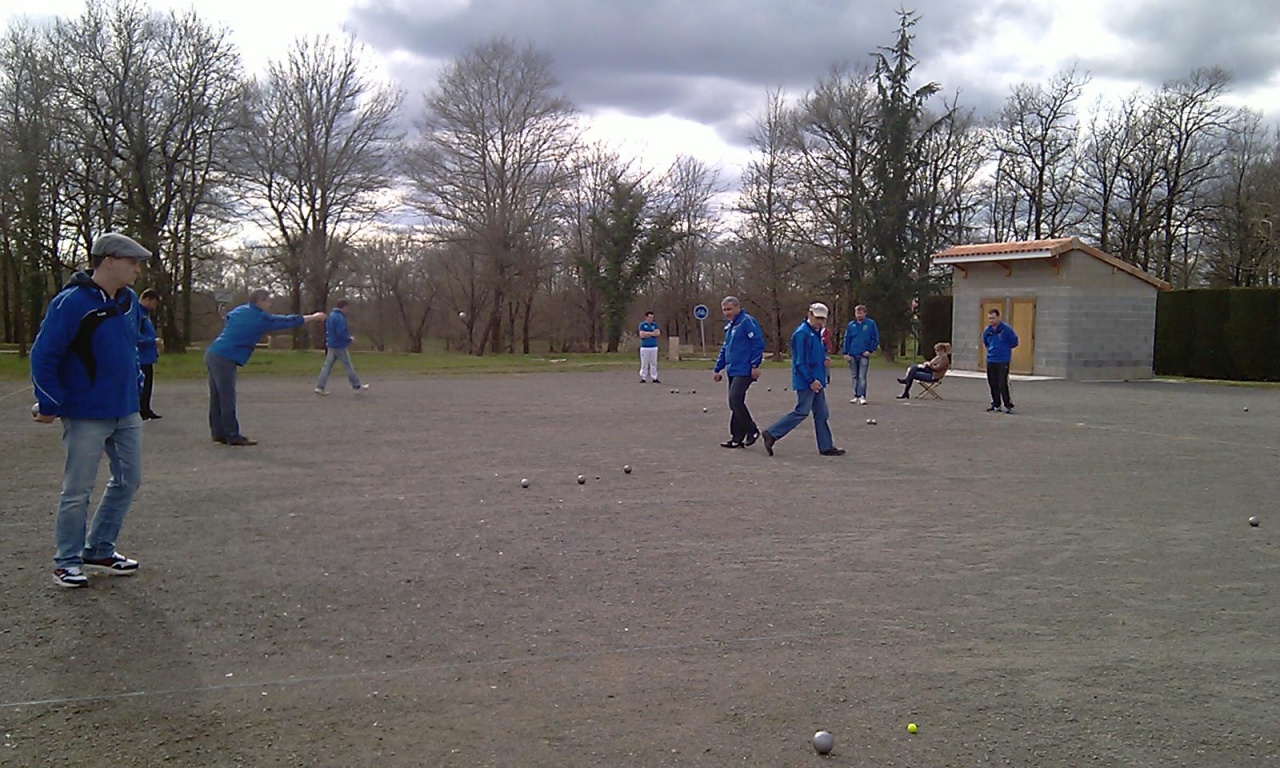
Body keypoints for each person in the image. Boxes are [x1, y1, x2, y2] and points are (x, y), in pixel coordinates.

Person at [30, 233, 151, 588]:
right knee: (77, 490)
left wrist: (137, 381)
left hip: (126, 410)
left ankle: (98, 548)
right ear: (109, 261)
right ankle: (66, 561)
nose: (138, 270)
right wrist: (50, 401)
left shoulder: (128, 301)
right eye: (133, 263)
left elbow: (130, 347)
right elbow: (44, 354)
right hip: (86, 413)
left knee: (129, 479)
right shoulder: (71, 302)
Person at [206, 289, 325, 445]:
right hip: (225, 356)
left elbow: (228, 317)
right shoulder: (260, 318)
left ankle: (218, 432)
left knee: (217, 396)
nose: (270, 305)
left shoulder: (241, 310)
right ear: (260, 301)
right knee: (227, 397)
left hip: (213, 353)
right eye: (268, 301)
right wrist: (313, 317)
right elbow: (287, 321)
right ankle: (232, 435)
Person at [760, 303, 845, 457]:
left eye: (823, 319)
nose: (820, 322)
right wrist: (811, 380)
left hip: (816, 379)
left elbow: (815, 354)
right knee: (802, 411)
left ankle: (826, 446)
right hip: (806, 380)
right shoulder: (802, 333)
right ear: (810, 314)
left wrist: (823, 360)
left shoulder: (816, 332)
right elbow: (799, 361)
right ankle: (772, 433)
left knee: (822, 413)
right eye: (817, 318)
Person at [711, 296, 765, 448]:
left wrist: (755, 365)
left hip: (745, 368)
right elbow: (725, 348)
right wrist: (717, 368)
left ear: (737, 308)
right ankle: (737, 438)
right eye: (724, 310)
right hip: (732, 369)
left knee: (735, 399)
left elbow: (758, 343)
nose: (727, 313)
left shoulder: (747, 322)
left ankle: (752, 430)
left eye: (729, 309)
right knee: (734, 402)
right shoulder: (730, 326)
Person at [314, 299, 369, 395]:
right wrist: (349, 339)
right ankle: (356, 385)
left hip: (331, 344)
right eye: (347, 308)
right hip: (339, 345)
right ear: (344, 307)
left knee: (327, 367)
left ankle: (320, 386)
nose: (347, 310)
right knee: (348, 366)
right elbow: (340, 332)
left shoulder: (331, 316)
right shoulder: (339, 317)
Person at [840, 304, 879, 405]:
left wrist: (870, 350)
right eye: (857, 313)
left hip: (863, 354)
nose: (858, 315)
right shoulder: (851, 325)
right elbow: (847, 339)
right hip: (852, 353)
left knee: (862, 376)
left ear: (865, 313)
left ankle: (862, 396)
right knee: (854, 376)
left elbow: (875, 338)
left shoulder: (870, 324)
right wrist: (845, 352)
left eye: (860, 313)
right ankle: (856, 395)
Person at [983, 308, 1019, 413]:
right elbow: (986, 343)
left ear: (999, 317)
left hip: (1003, 360)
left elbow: (1014, 342)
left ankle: (1008, 405)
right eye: (989, 318)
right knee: (992, 382)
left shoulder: (1006, 329)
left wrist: (1004, 349)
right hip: (991, 359)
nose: (991, 321)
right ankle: (996, 404)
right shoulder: (987, 330)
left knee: (1002, 382)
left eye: (993, 318)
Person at [137, 288, 161, 419]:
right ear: (147, 299)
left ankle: (146, 409)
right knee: (143, 385)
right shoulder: (138, 314)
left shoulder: (145, 315)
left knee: (148, 385)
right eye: (154, 303)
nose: (154, 306)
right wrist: (152, 341)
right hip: (141, 357)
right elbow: (135, 335)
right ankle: (141, 410)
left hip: (148, 356)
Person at [637, 310, 661, 384]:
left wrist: (647, 333)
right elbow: (642, 335)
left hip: (653, 346)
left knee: (653, 363)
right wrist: (651, 333)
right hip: (645, 347)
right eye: (650, 317)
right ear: (646, 317)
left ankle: (654, 377)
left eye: (652, 317)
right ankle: (643, 377)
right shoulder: (642, 325)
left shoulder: (655, 325)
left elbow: (657, 333)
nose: (651, 319)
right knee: (644, 363)